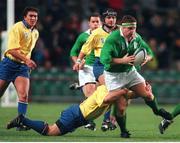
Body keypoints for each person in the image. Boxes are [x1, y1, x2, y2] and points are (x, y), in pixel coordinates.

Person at [100, 15, 172, 138]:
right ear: (122, 28)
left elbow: (149, 52)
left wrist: (146, 59)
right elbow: (104, 60)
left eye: (134, 28)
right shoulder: (113, 39)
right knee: (121, 108)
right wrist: (122, 60)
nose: (132, 31)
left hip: (130, 72)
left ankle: (157, 111)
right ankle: (123, 131)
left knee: (148, 94)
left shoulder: (136, 37)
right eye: (129, 28)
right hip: (114, 76)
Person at [6, 85, 129, 136]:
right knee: (49, 131)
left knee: (51, 131)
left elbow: (127, 96)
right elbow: (106, 100)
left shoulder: (111, 90)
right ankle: (23, 120)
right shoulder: (104, 89)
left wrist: (142, 90)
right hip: (76, 115)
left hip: (78, 117)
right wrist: (124, 91)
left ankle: (23, 120)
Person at [73, 8, 118, 131]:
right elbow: (84, 48)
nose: (111, 19)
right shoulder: (96, 33)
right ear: (104, 19)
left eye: (113, 17)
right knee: (108, 91)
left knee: (109, 94)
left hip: (115, 67)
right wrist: (77, 61)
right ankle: (99, 120)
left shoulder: (120, 31)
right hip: (98, 66)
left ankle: (101, 120)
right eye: (109, 17)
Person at [0, 7, 39, 130]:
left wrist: (27, 63)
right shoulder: (17, 27)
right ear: (25, 17)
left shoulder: (35, 32)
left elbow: (28, 51)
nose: (33, 18)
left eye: (35, 16)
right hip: (9, 64)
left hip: (22, 67)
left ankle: (20, 122)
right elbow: (11, 50)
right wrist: (27, 60)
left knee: (23, 96)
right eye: (31, 16)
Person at [70, 13, 101, 130]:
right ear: (89, 23)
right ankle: (89, 121)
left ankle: (79, 87)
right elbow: (73, 52)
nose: (95, 24)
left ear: (101, 23)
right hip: (86, 68)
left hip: (100, 67)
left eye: (97, 21)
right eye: (93, 22)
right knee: (90, 94)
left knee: (101, 96)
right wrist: (77, 63)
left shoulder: (105, 36)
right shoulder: (83, 36)